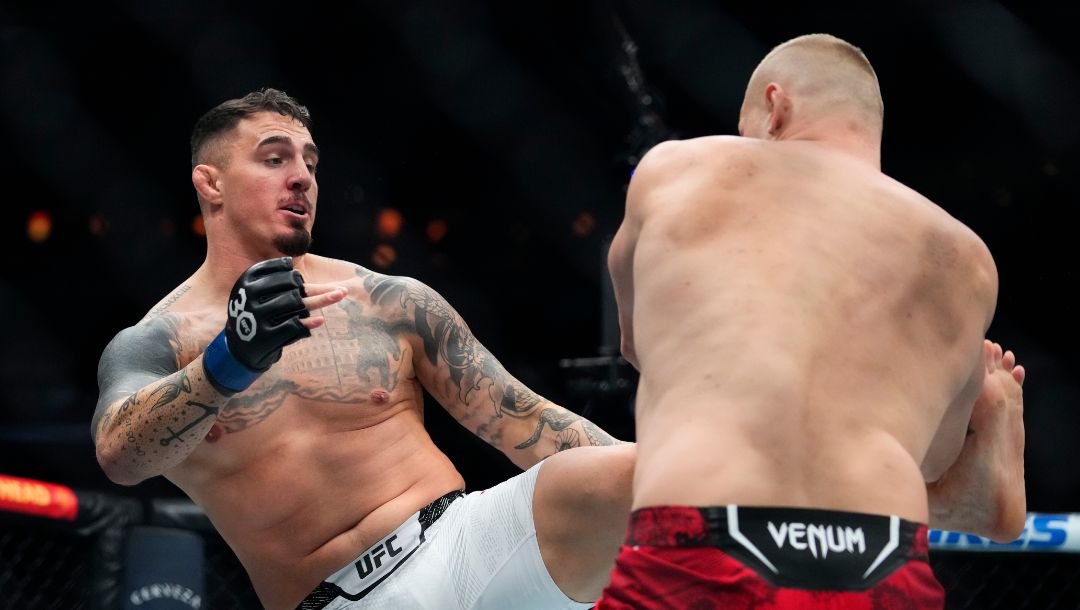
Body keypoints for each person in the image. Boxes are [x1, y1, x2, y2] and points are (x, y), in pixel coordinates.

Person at [92, 88, 634, 610]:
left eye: (310, 162)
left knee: (626, 474)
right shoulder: (159, 339)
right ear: (211, 184)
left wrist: (656, 479)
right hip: (335, 600)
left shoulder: (389, 301)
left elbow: (526, 420)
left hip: (463, 542)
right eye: (275, 159)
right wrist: (231, 358)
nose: (301, 177)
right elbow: (120, 455)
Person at [598, 34, 1026, 609]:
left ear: (775, 108)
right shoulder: (964, 257)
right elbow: (930, 460)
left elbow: (638, 345)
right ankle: (977, 487)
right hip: (883, 556)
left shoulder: (677, 169)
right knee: (909, 465)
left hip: (702, 540)